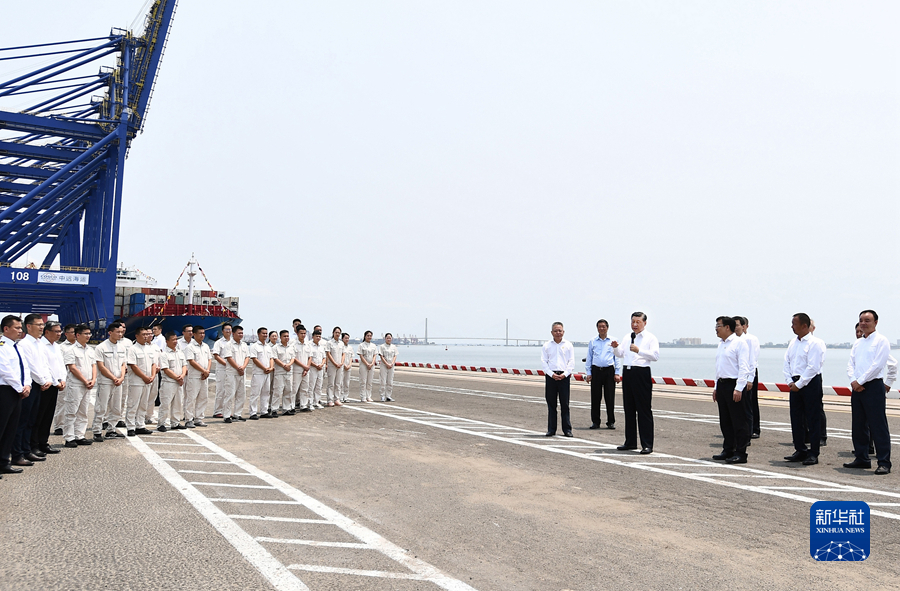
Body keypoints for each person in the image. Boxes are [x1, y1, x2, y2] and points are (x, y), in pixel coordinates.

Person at [844, 309, 892, 475]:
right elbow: (851, 363)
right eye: (861, 320)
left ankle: (884, 461)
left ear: (875, 323)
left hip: (873, 386)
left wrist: (860, 381)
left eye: (867, 320)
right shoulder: (858, 343)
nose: (863, 323)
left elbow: (877, 365)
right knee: (858, 425)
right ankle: (861, 458)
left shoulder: (881, 341)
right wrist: (853, 380)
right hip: (857, 387)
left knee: (878, 426)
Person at [782, 313, 826, 466]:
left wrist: (799, 384)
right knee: (796, 418)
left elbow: (813, 367)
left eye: (794, 323)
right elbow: (787, 362)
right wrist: (789, 381)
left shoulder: (815, 343)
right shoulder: (793, 343)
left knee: (812, 418)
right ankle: (800, 449)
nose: (792, 326)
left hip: (810, 382)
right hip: (794, 382)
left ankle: (813, 452)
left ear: (805, 326)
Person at [613, 312, 660, 454]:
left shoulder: (650, 338)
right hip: (628, 373)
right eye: (633, 321)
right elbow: (620, 354)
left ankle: (647, 444)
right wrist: (615, 347)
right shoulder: (627, 337)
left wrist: (639, 350)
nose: (635, 324)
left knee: (644, 410)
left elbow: (655, 356)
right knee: (629, 408)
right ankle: (630, 442)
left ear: (645, 323)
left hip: (641, 373)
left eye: (638, 322)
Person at [12, 314, 53, 466]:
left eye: (43, 324)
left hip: (40, 384)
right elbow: (30, 367)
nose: (42, 327)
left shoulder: (39, 343)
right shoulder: (24, 344)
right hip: (30, 384)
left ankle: (27, 449)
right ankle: (18, 452)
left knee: (32, 420)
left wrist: (48, 379)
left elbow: (44, 364)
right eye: (38, 325)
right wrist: (43, 381)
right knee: (22, 421)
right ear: (28, 326)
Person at [712, 317, 750, 464]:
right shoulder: (721, 344)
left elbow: (744, 367)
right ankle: (728, 449)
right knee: (725, 420)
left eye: (718, 325)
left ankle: (741, 452)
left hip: (734, 385)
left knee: (739, 421)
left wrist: (739, 388)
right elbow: (719, 368)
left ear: (727, 327)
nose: (716, 328)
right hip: (722, 385)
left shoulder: (740, 343)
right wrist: (716, 387)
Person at [0, 315, 31, 475]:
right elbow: (4, 370)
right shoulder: (2, 345)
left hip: (17, 391)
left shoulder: (16, 346)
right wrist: (20, 388)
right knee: (1, 427)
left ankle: (4, 462)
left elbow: (24, 367)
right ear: (6, 329)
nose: (20, 331)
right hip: (5, 391)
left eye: (21, 328)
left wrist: (27, 385)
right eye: (17, 328)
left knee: (11, 428)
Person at [31, 321, 65, 455]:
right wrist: (53, 381)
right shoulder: (41, 346)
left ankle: (43, 442)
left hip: (56, 385)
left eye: (60, 331)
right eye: (56, 331)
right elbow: (44, 367)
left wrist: (62, 379)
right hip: (44, 385)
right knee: (38, 416)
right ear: (47, 332)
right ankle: (34, 445)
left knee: (48, 416)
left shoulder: (56, 346)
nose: (59, 334)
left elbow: (61, 366)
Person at [92, 321, 127, 441]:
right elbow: (101, 366)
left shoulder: (122, 347)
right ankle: (97, 431)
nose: (120, 334)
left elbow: (123, 364)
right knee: (101, 407)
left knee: (116, 407)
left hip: (118, 381)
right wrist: (113, 378)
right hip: (106, 381)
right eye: (117, 332)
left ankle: (111, 429)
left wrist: (121, 377)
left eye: (121, 332)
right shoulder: (101, 347)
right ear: (110, 332)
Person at [62, 324, 96, 447]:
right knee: (71, 411)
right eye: (86, 334)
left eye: (89, 334)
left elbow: (93, 366)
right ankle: (69, 437)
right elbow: (72, 367)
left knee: (83, 411)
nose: (88, 336)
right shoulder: (70, 350)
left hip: (88, 384)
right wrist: (84, 380)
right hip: (76, 384)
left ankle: (79, 435)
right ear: (78, 335)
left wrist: (93, 379)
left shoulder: (90, 350)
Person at [584, 319, 621, 430]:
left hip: (609, 371)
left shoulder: (613, 340)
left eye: (604, 326)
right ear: (597, 328)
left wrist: (617, 373)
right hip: (596, 371)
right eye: (600, 326)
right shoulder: (593, 341)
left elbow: (617, 357)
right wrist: (589, 373)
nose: (602, 328)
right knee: (595, 397)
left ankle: (610, 421)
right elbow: (589, 357)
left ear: (607, 328)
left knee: (609, 397)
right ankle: (595, 422)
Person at [541, 322, 575, 437]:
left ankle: (567, 429)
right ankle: (551, 429)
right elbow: (544, 362)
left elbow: (571, 362)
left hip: (564, 377)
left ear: (563, 332)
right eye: (555, 331)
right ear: (552, 332)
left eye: (560, 330)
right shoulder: (546, 345)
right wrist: (551, 374)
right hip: (551, 377)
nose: (558, 333)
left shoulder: (569, 345)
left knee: (565, 404)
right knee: (551, 404)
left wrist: (565, 374)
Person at [124, 327, 157, 437]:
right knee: (133, 404)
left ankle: (140, 425)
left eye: (147, 334)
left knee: (143, 404)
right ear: (137, 336)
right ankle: (130, 426)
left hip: (148, 381)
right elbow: (133, 366)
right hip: (136, 381)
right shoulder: (132, 349)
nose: (146, 336)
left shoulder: (150, 349)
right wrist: (144, 377)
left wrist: (152, 376)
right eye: (143, 334)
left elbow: (154, 364)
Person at [734, 316, 761, 439]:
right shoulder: (733, 340)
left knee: (750, 403)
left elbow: (752, 359)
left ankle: (754, 429)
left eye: (737, 325)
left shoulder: (750, 339)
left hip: (750, 372)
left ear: (744, 326)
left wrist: (750, 379)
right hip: (738, 373)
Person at [157, 332, 187, 432]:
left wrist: (182, 376)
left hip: (179, 382)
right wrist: (177, 378)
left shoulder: (180, 353)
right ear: (167, 341)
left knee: (178, 403)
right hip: (169, 382)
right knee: (165, 403)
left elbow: (184, 366)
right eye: (173, 340)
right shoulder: (164, 354)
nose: (175, 342)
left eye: (176, 339)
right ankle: (161, 423)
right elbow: (166, 369)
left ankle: (175, 422)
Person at [51, 324, 77, 436]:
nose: (75, 334)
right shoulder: (61, 347)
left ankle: (73, 426)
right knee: (61, 403)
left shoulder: (80, 347)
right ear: (66, 334)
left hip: (77, 380)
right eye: (72, 332)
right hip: (64, 379)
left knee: (75, 404)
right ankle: (59, 426)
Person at [184, 325, 212, 428]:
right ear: (194, 334)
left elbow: (209, 359)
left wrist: (207, 371)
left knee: (203, 397)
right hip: (194, 376)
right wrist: (203, 370)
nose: (202, 335)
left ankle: (198, 418)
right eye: (200, 333)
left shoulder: (206, 346)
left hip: (204, 376)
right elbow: (191, 361)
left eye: (203, 333)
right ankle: (188, 419)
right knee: (191, 398)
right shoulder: (190, 347)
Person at [222, 326, 249, 422]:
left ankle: (237, 414)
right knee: (230, 394)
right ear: (233, 334)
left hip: (242, 373)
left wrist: (243, 367)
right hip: (232, 373)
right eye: (239, 333)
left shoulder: (244, 345)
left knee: (241, 394)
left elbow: (247, 357)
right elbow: (229, 358)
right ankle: (227, 415)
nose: (241, 335)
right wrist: (238, 368)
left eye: (242, 333)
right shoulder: (229, 345)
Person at [249, 327, 274, 419]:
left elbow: (271, 358)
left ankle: (264, 411)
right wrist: (264, 368)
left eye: (266, 333)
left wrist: (271, 368)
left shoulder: (268, 347)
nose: (265, 335)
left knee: (266, 392)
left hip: (267, 373)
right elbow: (254, 359)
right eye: (263, 333)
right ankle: (253, 412)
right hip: (259, 372)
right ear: (258, 334)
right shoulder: (254, 346)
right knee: (255, 393)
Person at [211, 322, 233, 419]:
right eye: (226, 330)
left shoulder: (233, 342)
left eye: (230, 329)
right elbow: (216, 355)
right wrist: (226, 364)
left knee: (230, 391)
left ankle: (227, 411)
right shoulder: (219, 343)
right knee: (221, 390)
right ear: (222, 331)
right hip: (222, 369)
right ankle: (218, 411)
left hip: (232, 369)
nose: (228, 331)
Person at [272, 330, 294, 415]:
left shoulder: (291, 348)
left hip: (289, 372)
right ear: (280, 337)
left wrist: (289, 365)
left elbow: (293, 358)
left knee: (288, 390)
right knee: (277, 391)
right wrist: (284, 366)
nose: (286, 338)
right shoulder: (276, 347)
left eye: (287, 336)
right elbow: (275, 358)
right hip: (280, 372)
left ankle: (286, 408)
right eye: (284, 336)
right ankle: (274, 409)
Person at [291, 325, 312, 411]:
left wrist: (307, 367)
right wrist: (304, 366)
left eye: (304, 333)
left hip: (306, 370)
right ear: (297, 333)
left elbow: (310, 357)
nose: (303, 335)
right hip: (297, 369)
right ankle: (291, 406)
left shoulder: (307, 344)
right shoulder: (293, 344)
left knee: (305, 388)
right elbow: (294, 358)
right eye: (301, 333)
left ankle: (304, 405)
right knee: (294, 389)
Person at [324, 327, 345, 407]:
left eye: (339, 333)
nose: (337, 334)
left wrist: (341, 363)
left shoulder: (341, 343)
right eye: (336, 332)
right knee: (331, 383)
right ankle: (330, 400)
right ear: (333, 333)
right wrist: (335, 363)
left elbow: (343, 354)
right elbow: (328, 354)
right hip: (332, 365)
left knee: (338, 383)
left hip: (340, 365)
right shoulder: (329, 343)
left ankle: (337, 399)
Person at [307, 330, 326, 409]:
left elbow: (324, 357)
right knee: (311, 386)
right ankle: (309, 403)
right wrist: (315, 365)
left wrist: (321, 364)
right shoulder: (309, 346)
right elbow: (309, 358)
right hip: (313, 368)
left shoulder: (321, 347)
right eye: (316, 336)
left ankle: (316, 402)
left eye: (319, 336)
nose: (318, 338)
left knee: (319, 385)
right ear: (313, 337)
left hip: (320, 368)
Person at [358, 331, 377, 403]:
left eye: (370, 336)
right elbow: (361, 355)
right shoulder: (361, 345)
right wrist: (366, 364)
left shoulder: (373, 346)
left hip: (371, 365)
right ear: (365, 336)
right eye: (368, 335)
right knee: (363, 381)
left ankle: (368, 396)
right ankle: (363, 396)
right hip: (363, 364)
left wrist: (372, 363)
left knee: (369, 381)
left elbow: (375, 355)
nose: (369, 337)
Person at [378, 334, 399, 402]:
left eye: (390, 338)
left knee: (390, 381)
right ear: (385, 338)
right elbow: (381, 356)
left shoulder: (394, 347)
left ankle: (388, 396)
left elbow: (395, 356)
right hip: (384, 365)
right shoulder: (382, 346)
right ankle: (382, 396)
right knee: (383, 381)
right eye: (387, 338)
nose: (389, 339)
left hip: (391, 365)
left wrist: (392, 363)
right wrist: (386, 363)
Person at [340, 333, 352, 403]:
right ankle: (340, 397)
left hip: (348, 366)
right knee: (341, 382)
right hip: (342, 366)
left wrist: (349, 365)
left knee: (347, 383)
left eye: (348, 338)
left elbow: (351, 357)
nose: (347, 339)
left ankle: (346, 396)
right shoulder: (341, 347)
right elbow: (341, 357)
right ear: (342, 338)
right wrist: (344, 364)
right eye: (345, 338)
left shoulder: (350, 347)